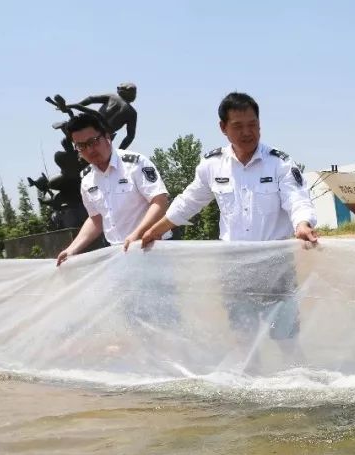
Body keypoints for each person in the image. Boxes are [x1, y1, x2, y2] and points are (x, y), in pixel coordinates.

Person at [139, 92, 317, 352]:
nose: (247, 132)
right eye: (238, 126)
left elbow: (297, 198)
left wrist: (303, 224)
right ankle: (252, 385)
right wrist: (155, 230)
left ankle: (294, 381)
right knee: (244, 336)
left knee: (285, 336)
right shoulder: (212, 165)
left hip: (275, 264)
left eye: (252, 124)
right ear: (223, 128)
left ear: (260, 124)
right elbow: (188, 202)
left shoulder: (279, 162)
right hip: (234, 265)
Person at [56, 111, 170, 266]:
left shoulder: (135, 163)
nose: (89, 150)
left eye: (93, 142)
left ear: (107, 137)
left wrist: (137, 234)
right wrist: (72, 249)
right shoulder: (87, 179)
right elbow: (96, 219)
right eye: (81, 146)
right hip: (119, 256)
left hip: (152, 249)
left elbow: (160, 201)